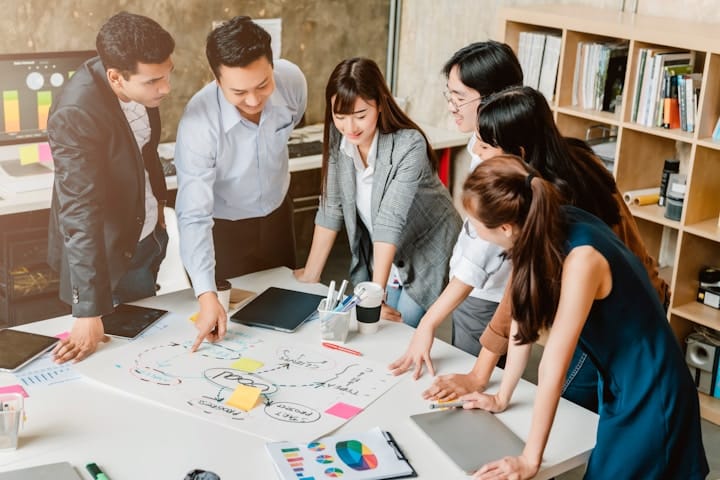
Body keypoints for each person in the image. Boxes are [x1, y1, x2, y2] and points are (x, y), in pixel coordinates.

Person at [456, 155, 708, 480]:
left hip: (652, 387)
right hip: (620, 379)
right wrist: (501, 397)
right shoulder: (537, 227)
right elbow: (522, 321)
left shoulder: (582, 260)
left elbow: (554, 365)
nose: (472, 228)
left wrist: (530, 459)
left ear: (505, 227)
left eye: (474, 223)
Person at [422, 86, 670, 413]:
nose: (477, 153)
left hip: (624, 314)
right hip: (633, 296)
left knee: (568, 409)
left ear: (519, 152)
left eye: (484, 145)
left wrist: (480, 375)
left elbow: (517, 293)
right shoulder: (567, 158)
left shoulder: (552, 202)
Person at [294, 57, 461, 327]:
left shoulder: (409, 144)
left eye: (360, 116)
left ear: (380, 104)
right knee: (376, 326)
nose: (350, 128)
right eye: (340, 117)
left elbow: (389, 219)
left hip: (428, 247)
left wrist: (375, 298)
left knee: (397, 327)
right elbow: (331, 206)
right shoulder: (340, 139)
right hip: (388, 252)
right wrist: (310, 276)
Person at [47, 12, 174, 364]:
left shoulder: (141, 87)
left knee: (149, 356)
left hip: (145, 240)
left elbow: (146, 153)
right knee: (110, 364)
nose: (166, 89)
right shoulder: (76, 111)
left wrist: (159, 213)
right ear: (116, 77)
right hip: (104, 261)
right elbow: (79, 211)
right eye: (153, 81)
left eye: (168, 74)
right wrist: (87, 310)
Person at [174, 16, 307, 351]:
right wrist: (206, 295)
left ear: (273, 66)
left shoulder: (292, 81)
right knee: (234, 332)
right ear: (217, 81)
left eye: (262, 85)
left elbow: (291, 122)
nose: (253, 100)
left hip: (278, 217)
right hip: (224, 230)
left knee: (287, 319)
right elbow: (193, 215)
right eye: (238, 91)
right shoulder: (198, 123)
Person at [389, 41, 521, 375]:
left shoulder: (504, 162)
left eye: (459, 97)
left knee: (470, 383)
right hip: (473, 292)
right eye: (449, 95)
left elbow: (480, 255)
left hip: (487, 298)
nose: (451, 106)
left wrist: (428, 322)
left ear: (494, 99)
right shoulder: (480, 140)